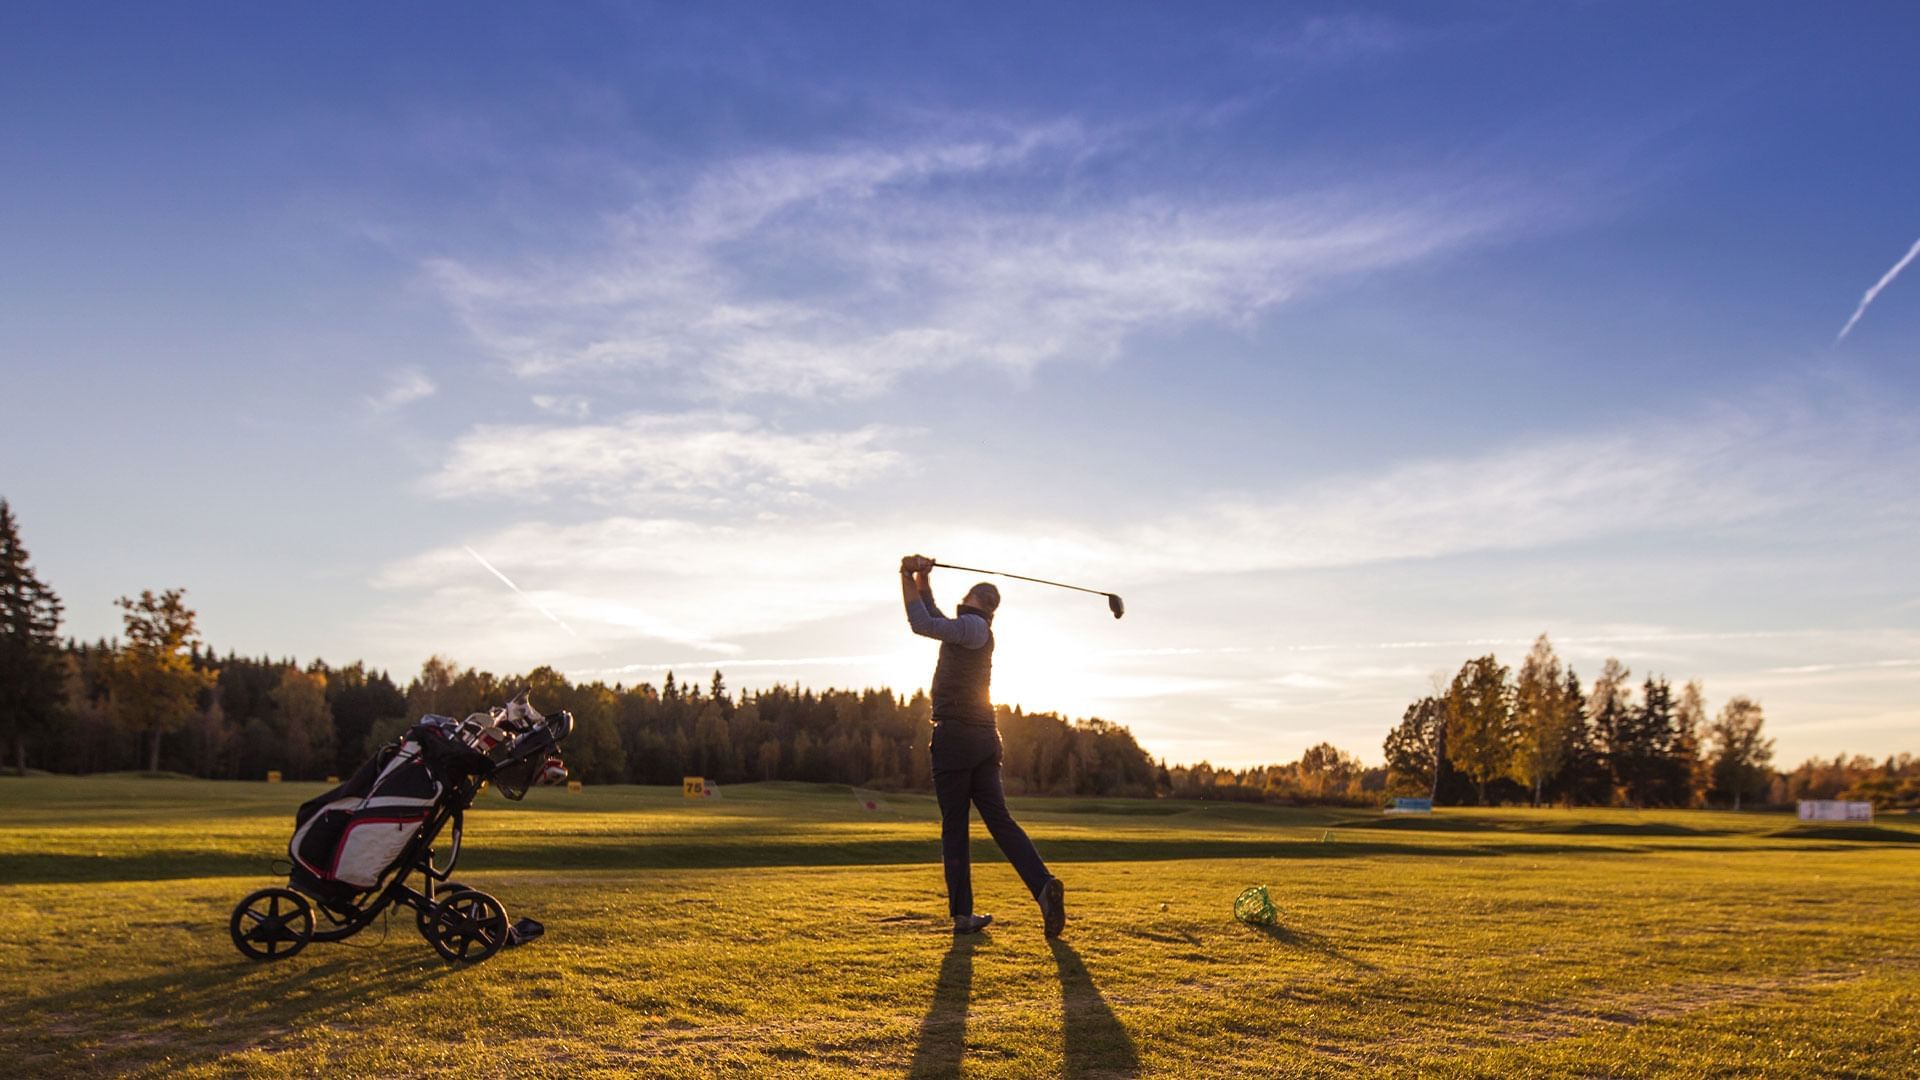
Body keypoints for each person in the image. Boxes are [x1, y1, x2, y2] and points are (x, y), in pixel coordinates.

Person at [899, 554, 1066, 937]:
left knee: (954, 827)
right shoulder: (973, 628)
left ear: (973, 598)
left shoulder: (972, 627)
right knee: (999, 821)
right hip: (984, 738)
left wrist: (904, 574)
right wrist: (922, 580)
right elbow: (936, 615)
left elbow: (921, 623)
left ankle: (962, 915)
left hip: (956, 737)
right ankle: (1042, 887)